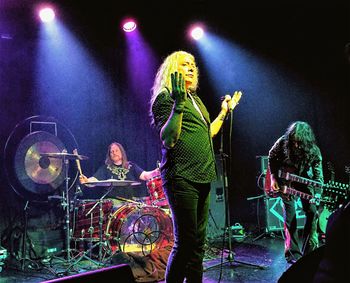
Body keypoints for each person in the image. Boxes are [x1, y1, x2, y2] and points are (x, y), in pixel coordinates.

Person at [149, 50, 241, 282]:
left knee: (198, 244)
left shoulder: (196, 100)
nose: (191, 68)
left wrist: (223, 112)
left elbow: (207, 132)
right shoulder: (166, 98)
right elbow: (168, 139)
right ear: (172, 70)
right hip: (181, 176)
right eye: (184, 64)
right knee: (186, 241)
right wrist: (178, 106)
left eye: (193, 64)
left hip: (202, 175)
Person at [267, 121, 324, 264]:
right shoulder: (282, 142)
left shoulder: (314, 151)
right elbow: (271, 156)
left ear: (306, 141)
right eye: (293, 142)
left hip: (302, 179)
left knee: (312, 211)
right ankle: (293, 254)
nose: (296, 146)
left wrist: (317, 194)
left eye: (299, 143)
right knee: (290, 217)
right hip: (283, 181)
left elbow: (318, 177)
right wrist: (273, 177)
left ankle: (309, 250)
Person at [79, 142, 159, 204]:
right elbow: (95, 179)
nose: (114, 153)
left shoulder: (131, 166)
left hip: (129, 202)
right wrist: (87, 181)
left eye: (116, 150)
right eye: (111, 152)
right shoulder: (106, 168)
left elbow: (145, 175)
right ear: (109, 155)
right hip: (112, 203)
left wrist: (157, 171)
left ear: (122, 152)